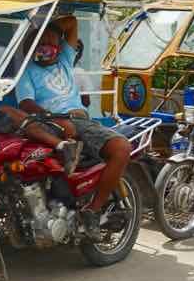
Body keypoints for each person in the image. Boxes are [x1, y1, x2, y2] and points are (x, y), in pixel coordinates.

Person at [12, 14, 130, 234]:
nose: (46, 47)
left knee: (122, 148)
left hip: (80, 120)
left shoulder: (66, 60)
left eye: (51, 43)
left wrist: (48, 29)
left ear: (59, 45)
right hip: (49, 123)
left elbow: (72, 22)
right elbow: (26, 103)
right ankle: (65, 150)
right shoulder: (27, 72)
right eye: (40, 43)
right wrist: (52, 116)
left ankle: (93, 211)